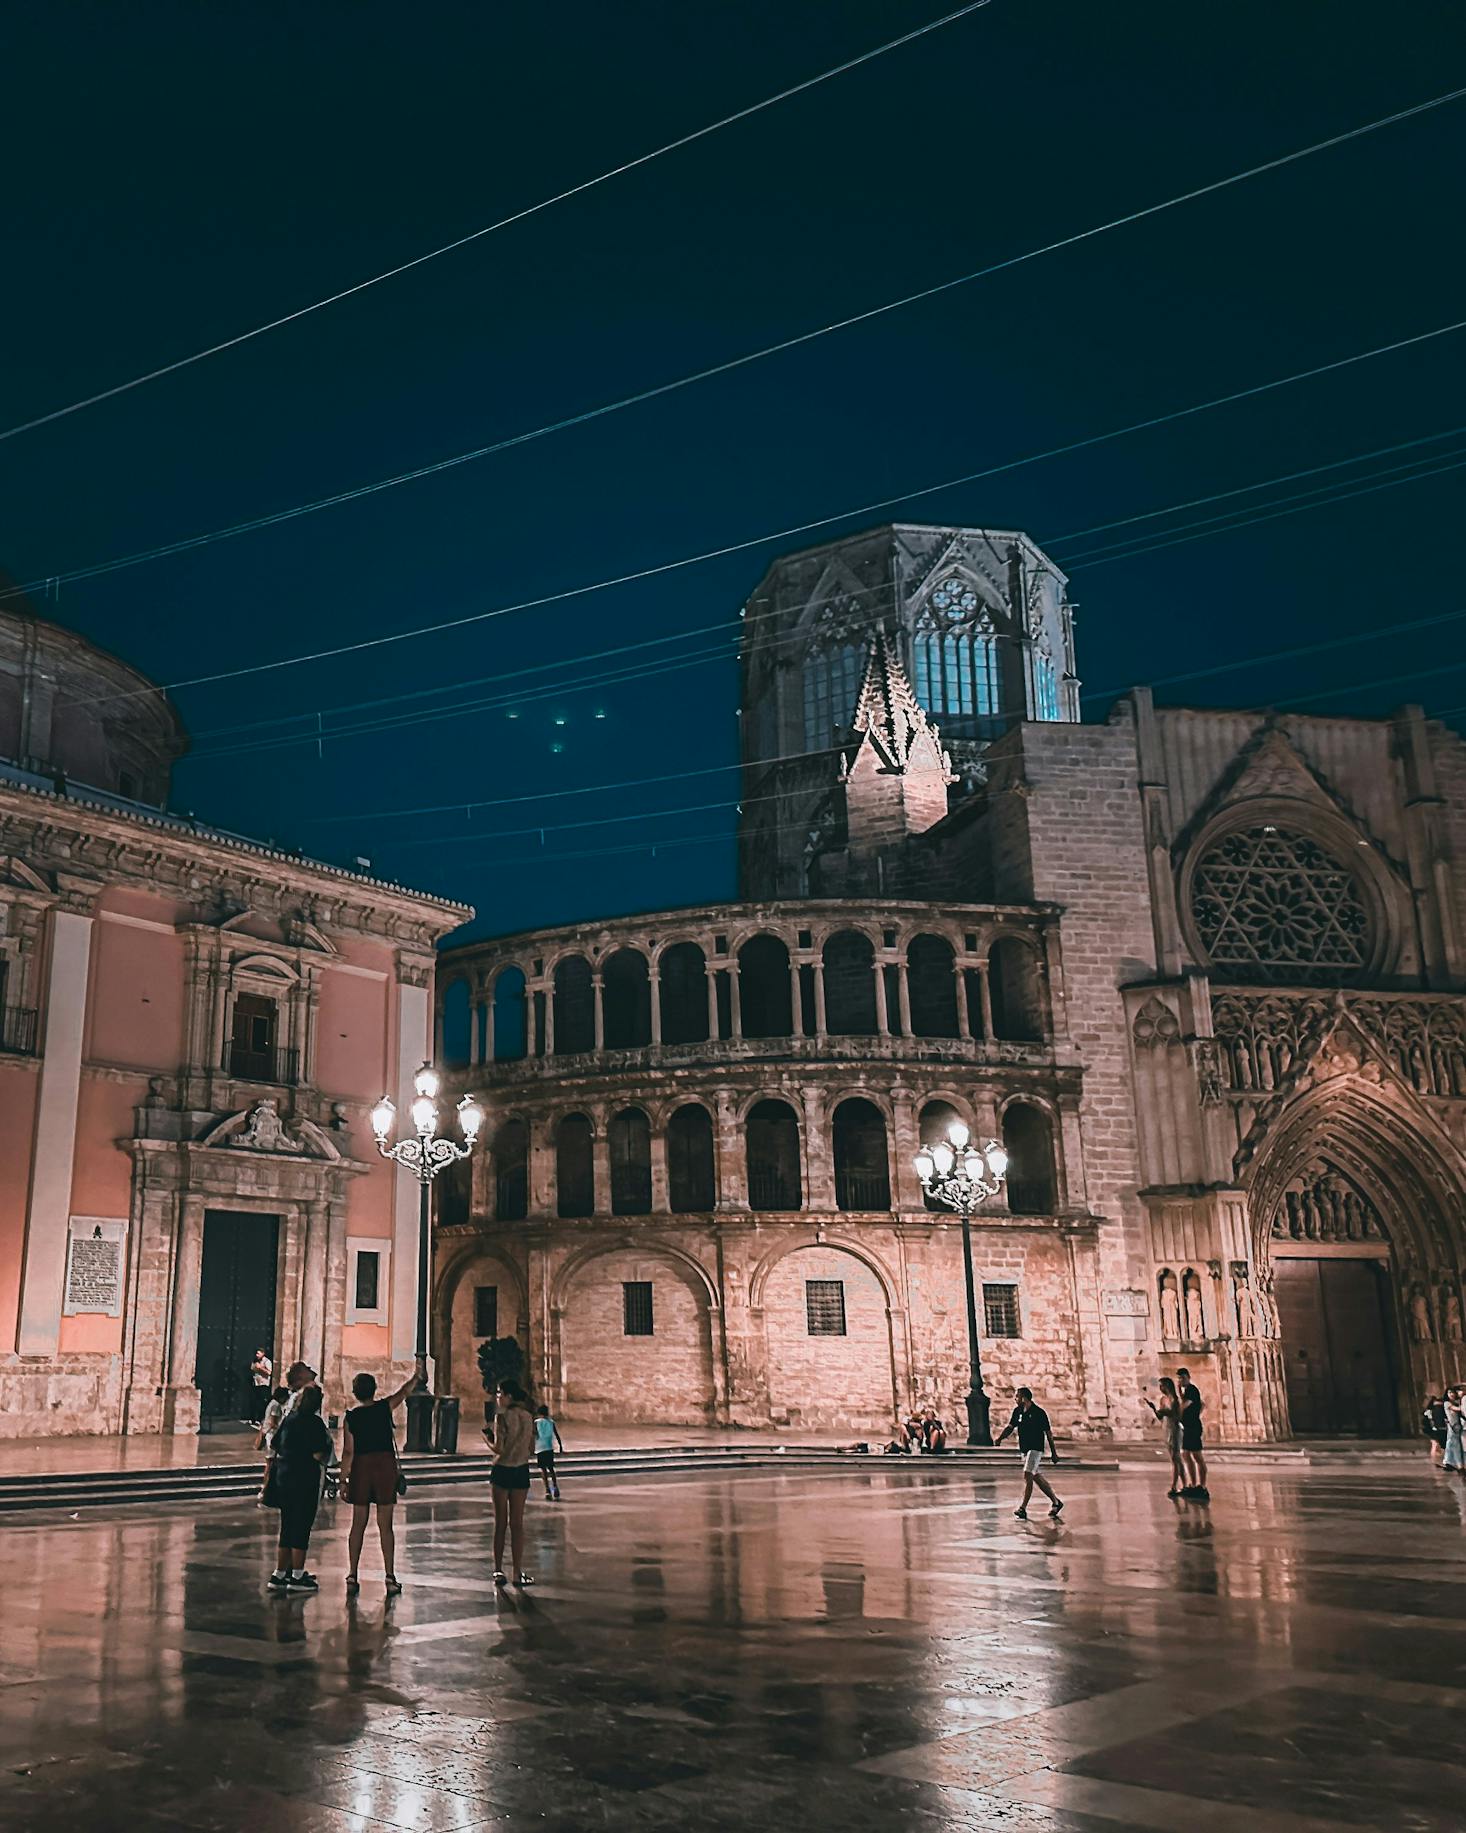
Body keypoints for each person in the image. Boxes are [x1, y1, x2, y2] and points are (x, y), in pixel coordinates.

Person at [340, 1370, 416, 1594]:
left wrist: (343, 1480)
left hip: (362, 1468)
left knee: (358, 1525)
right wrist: (415, 1376)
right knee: (386, 1527)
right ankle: (390, 1577)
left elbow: (348, 1451)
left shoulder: (351, 1417)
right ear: (374, 1389)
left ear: (355, 1393)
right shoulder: (384, 1408)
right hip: (384, 1467)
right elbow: (403, 1393)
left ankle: (352, 1574)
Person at [267, 1385, 332, 1592]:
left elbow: (276, 1444)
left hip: (284, 1477)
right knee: (302, 1526)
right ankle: (296, 1575)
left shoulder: (289, 1419)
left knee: (287, 1525)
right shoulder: (314, 1423)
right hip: (304, 1479)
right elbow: (318, 1455)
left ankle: (279, 1573)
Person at [489, 1379, 535, 1585]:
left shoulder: (502, 1417)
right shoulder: (528, 1417)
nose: (497, 1397)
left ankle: (498, 1570)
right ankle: (517, 1572)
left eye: (500, 1393)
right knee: (517, 1524)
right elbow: (532, 1448)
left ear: (508, 1396)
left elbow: (499, 1448)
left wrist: (486, 1440)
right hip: (521, 1470)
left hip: (502, 1470)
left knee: (501, 1523)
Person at [995, 1387, 1063, 1520]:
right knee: (1036, 1476)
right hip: (1025, 1448)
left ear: (1024, 1398)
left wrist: (1054, 1453)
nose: (1015, 1399)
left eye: (1017, 1397)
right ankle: (1056, 1502)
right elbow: (1010, 1427)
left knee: (1027, 1474)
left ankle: (1023, 1508)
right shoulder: (1017, 1411)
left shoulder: (1039, 1413)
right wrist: (999, 1439)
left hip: (1036, 1448)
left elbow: (1048, 1434)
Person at [1143, 1377, 1184, 1496]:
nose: (1161, 1388)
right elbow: (1161, 1417)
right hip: (1167, 1428)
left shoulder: (1174, 1399)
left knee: (1176, 1458)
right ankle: (1182, 1483)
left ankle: (1176, 1485)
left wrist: (1166, 1412)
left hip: (1174, 1428)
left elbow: (1176, 1415)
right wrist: (1154, 1409)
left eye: (1162, 1386)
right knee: (1174, 1458)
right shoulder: (1163, 1399)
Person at [1176, 1366, 1209, 1500]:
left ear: (1188, 1377)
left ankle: (1202, 1485)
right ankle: (1194, 1484)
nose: (1181, 1380)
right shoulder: (1187, 1391)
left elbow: (1185, 1406)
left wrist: (1176, 1415)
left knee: (1197, 1456)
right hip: (1189, 1426)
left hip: (1193, 1427)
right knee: (1186, 1454)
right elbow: (1201, 1404)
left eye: (1183, 1378)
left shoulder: (1192, 1390)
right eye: (1179, 1378)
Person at [254, 1383, 289, 1505]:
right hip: (272, 1436)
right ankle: (265, 1489)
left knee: (271, 1464)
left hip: (270, 1435)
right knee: (270, 1464)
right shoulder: (275, 1405)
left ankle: (267, 1488)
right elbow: (274, 1423)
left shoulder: (272, 1404)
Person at [534, 1404, 564, 1500]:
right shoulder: (551, 1422)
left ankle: (547, 1490)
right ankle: (555, 1486)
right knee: (551, 1468)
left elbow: (534, 1434)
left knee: (543, 1470)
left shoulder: (536, 1422)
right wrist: (560, 1446)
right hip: (549, 1447)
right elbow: (556, 1434)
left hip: (540, 1448)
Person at [1444, 1386, 1465, 1477]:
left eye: (1452, 1392)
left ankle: (1449, 1462)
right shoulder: (1447, 1403)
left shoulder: (1454, 1402)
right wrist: (1463, 1401)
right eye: (1449, 1393)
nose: (1451, 1394)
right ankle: (1458, 1465)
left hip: (1456, 1426)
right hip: (1453, 1427)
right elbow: (1459, 1409)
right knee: (1454, 1444)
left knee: (1451, 1444)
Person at [249, 1347, 273, 1424]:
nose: (257, 1355)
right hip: (256, 1384)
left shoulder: (267, 1362)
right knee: (254, 1401)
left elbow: (269, 1373)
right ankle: (253, 1419)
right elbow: (252, 1369)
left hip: (263, 1384)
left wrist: (261, 1368)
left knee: (262, 1402)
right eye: (256, 1354)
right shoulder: (255, 1361)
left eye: (258, 1353)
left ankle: (260, 1418)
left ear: (263, 1353)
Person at [1424, 1392, 1449, 1466]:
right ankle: (1439, 1461)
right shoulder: (1439, 1409)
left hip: (1432, 1429)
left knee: (1435, 1445)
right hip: (1439, 1429)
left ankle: (1435, 1461)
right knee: (1439, 1445)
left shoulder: (1428, 1410)